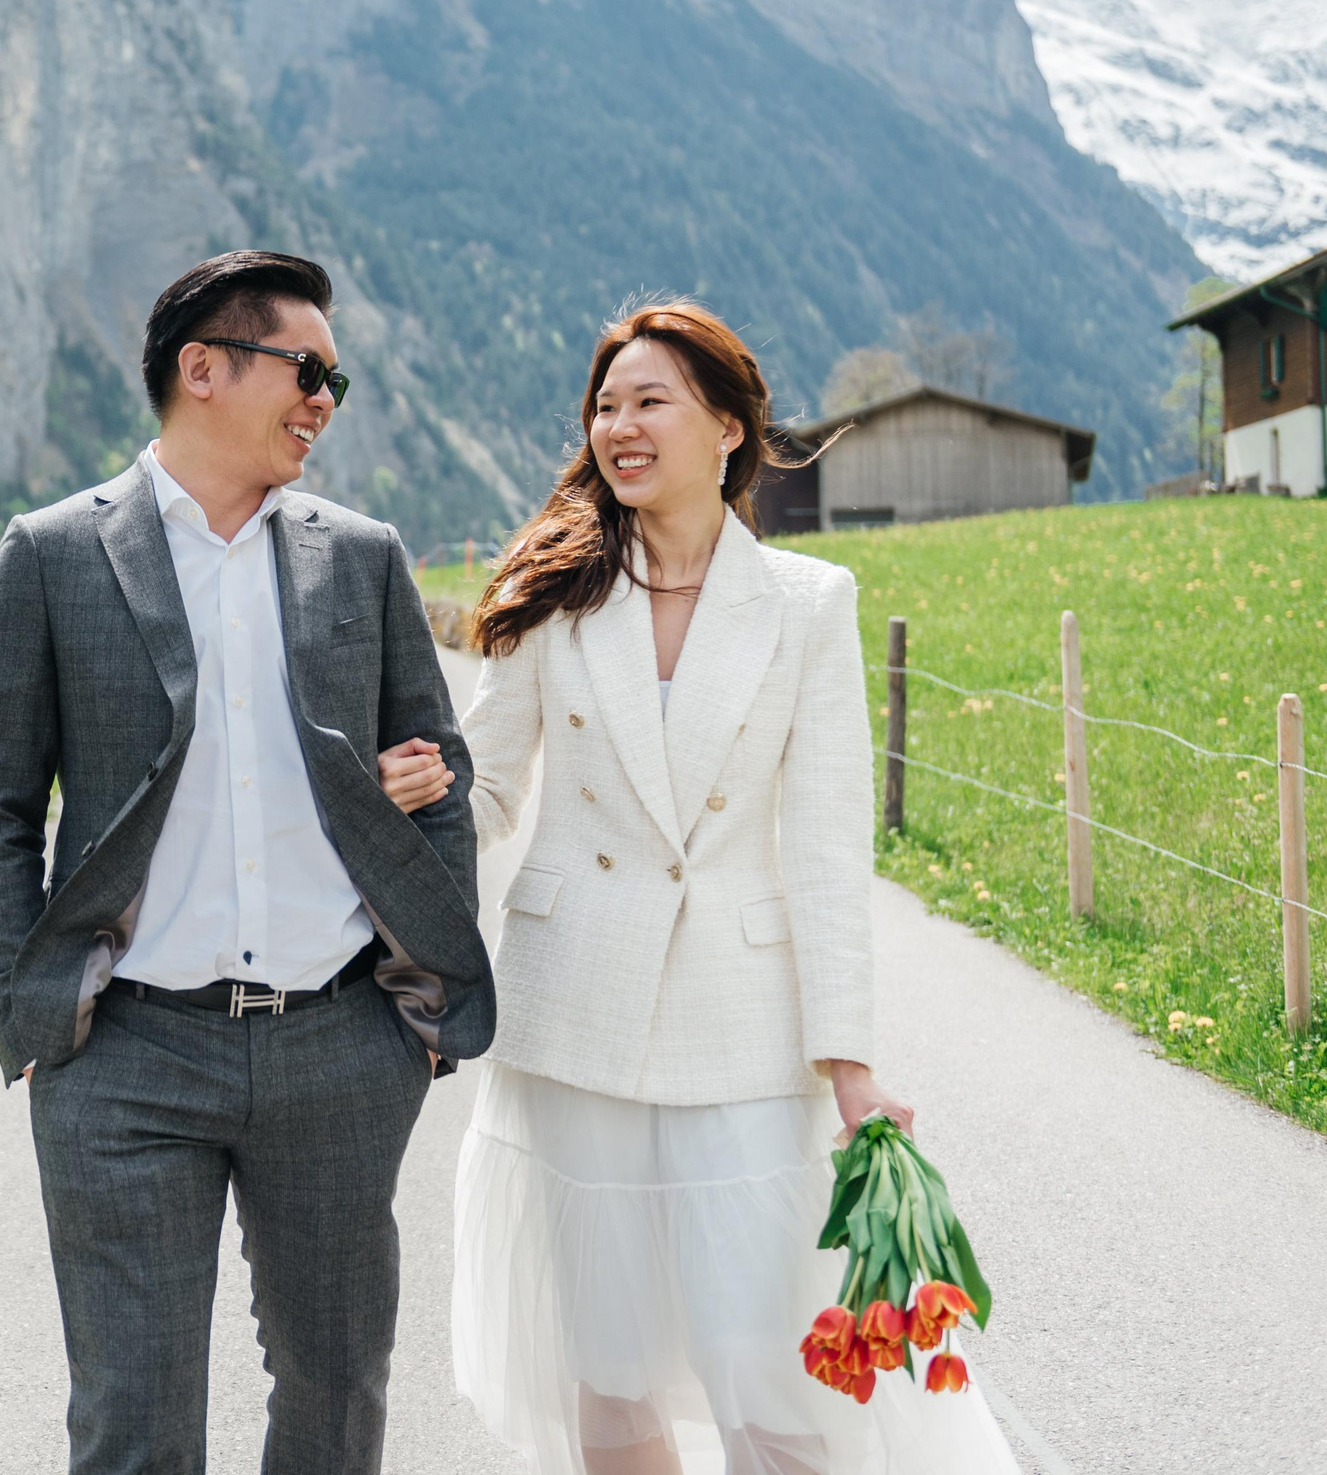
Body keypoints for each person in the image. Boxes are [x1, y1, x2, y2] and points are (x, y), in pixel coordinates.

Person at [403, 300, 1019, 1473]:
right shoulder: (550, 591)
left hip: (741, 1031)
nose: (618, 426)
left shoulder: (807, 604)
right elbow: (484, 798)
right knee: (612, 1357)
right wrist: (414, 786)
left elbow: (831, 853)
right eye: (604, 404)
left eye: (650, 402)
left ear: (729, 429)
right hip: (571, 1018)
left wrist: (848, 1065)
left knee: (764, 1363)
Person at [0, 250, 495, 1475]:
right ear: (203, 369)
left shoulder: (361, 553)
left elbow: (439, 776)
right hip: (125, 1057)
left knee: (336, 1387)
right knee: (134, 1421)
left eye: (334, 379)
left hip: (343, 1047)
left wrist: (414, 1010)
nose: (325, 400)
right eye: (308, 370)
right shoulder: (49, 554)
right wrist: (26, 1008)